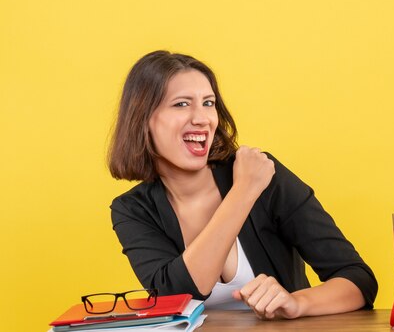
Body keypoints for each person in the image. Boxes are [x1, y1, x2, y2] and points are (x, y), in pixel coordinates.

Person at [108, 50, 377, 320]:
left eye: (208, 103)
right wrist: (243, 192)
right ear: (143, 119)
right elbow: (176, 295)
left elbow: (358, 280)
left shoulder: (263, 173)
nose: (202, 118)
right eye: (181, 104)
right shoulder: (133, 210)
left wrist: (296, 303)